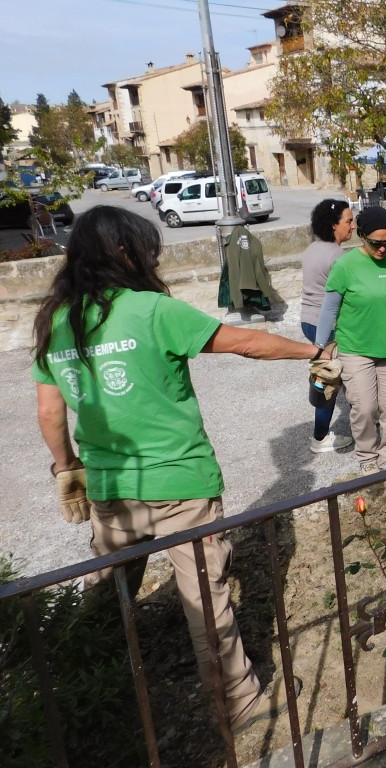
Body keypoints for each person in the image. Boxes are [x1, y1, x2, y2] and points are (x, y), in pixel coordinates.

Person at [31, 205, 340, 732]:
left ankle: (84, 699)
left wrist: (68, 469)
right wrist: (312, 349)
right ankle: (237, 702)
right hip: (180, 483)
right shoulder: (151, 309)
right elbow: (244, 341)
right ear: (125, 253)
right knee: (205, 601)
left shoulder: (57, 322)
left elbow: (49, 411)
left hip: (109, 488)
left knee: (107, 593)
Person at [316, 205, 386, 475]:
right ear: (362, 236)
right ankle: (367, 457)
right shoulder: (346, 265)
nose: (383, 248)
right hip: (355, 349)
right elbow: (329, 309)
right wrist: (320, 347)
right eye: (376, 242)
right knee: (364, 408)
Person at [301, 199, 356, 453]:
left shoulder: (313, 249)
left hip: (308, 320)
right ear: (333, 225)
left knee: (327, 375)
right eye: (348, 221)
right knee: (330, 380)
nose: (352, 226)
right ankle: (320, 437)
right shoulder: (338, 257)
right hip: (329, 326)